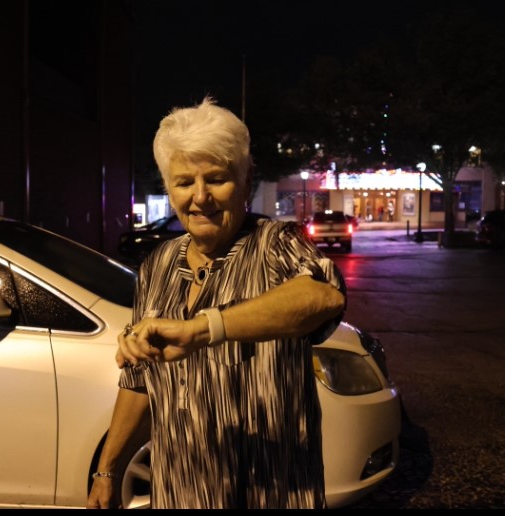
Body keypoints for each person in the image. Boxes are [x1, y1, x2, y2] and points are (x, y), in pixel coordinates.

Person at [86, 97, 347, 509]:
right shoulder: (158, 265)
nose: (200, 197)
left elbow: (322, 296)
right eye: (184, 182)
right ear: (168, 188)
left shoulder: (275, 244)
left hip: (271, 492)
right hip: (179, 492)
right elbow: (138, 381)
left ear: (246, 181)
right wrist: (107, 470)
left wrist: (202, 328)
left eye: (218, 179)